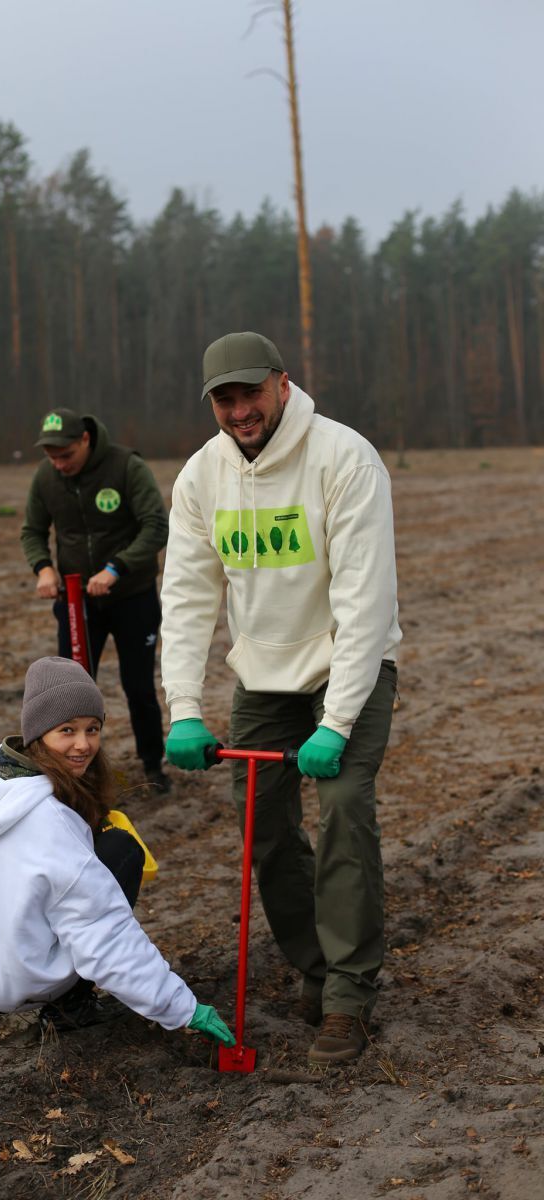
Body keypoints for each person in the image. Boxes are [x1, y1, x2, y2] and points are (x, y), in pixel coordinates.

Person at [159, 331, 401, 1066]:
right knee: (263, 827)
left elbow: (363, 603)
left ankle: (351, 995)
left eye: (250, 393)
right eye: (224, 400)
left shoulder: (344, 458)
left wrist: (336, 722)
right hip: (263, 676)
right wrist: (185, 708)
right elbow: (188, 597)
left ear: (282, 384)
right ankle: (316, 966)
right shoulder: (201, 477)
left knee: (345, 811)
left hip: (347, 666)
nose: (240, 411)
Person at [0, 656, 234, 1063]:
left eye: (92, 729)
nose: (83, 745)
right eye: (67, 731)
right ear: (38, 732)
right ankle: (69, 1008)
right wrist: (182, 1007)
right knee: (120, 852)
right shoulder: (48, 824)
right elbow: (104, 936)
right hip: (22, 976)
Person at [21, 408, 171, 793]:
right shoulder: (46, 476)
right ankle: (72, 773)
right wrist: (43, 568)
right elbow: (33, 530)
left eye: (66, 455)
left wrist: (116, 568)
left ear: (85, 440)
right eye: (52, 457)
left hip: (131, 596)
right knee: (68, 693)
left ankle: (152, 765)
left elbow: (155, 525)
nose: (59, 464)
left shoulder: (125, 466)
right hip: (75, 603)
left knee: (137, 685)